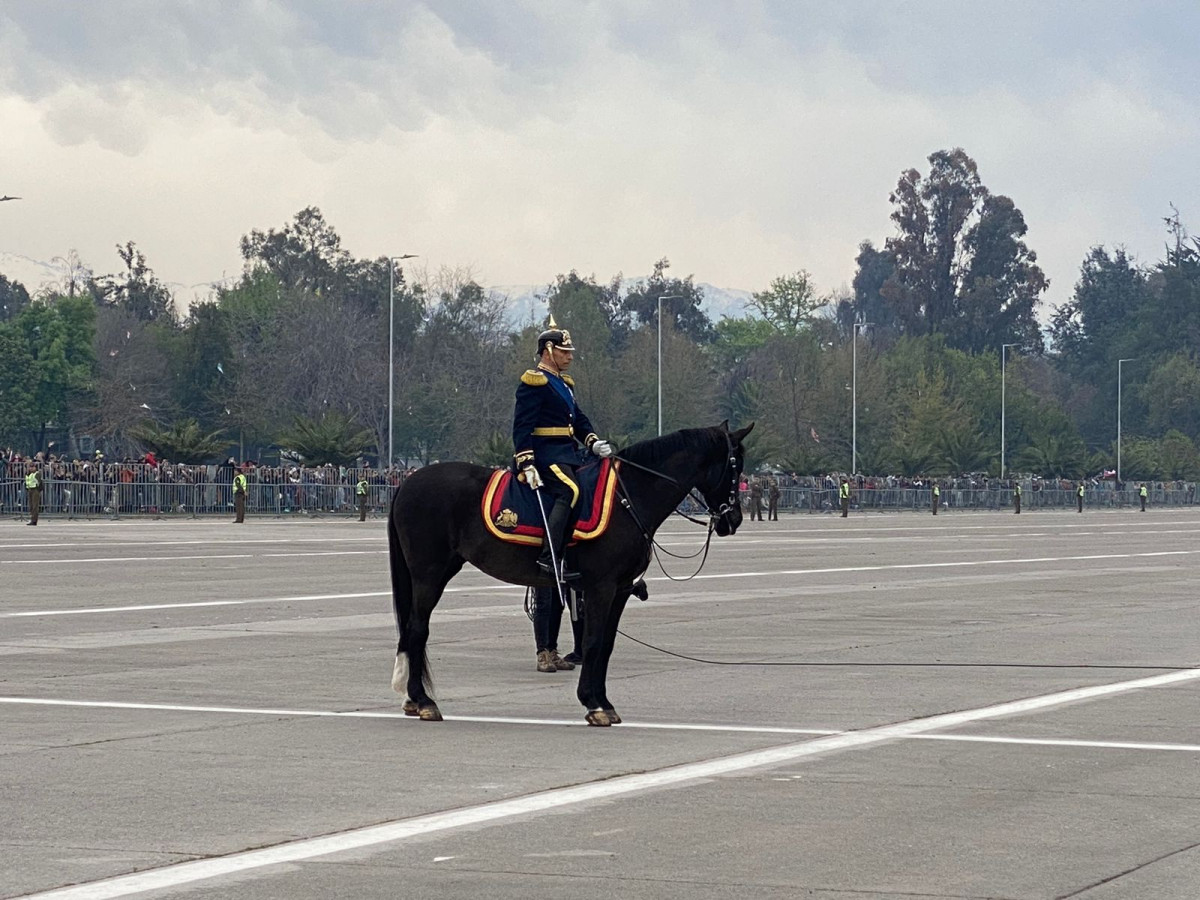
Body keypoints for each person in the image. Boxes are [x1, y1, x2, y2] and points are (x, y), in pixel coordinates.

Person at [513, 317, 614, 582]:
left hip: (567, 452)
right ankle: (549, 557)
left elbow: (577, 420)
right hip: (545, 455)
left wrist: (592, 441)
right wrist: (526, 461)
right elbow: (522, 426)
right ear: (548, 350)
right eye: (564, 351)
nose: (569, 357)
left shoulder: (564, 384)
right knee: (570, 490)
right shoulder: (534, 381)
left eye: (570, 352)